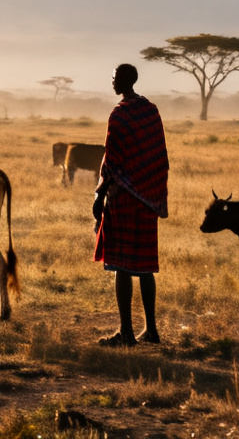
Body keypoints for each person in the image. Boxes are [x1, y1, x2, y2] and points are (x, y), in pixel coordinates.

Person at [92, 63, 169, 346]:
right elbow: (159, 156)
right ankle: (151, 330)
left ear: (124, 81)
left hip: (123, 198)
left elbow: (111, 161)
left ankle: (126, 333)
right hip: (148, 198)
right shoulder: (151, 111)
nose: (112, 82)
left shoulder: (120, 114)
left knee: (120, 265)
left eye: (115, 78)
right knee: (145, 266)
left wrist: (99, 195)